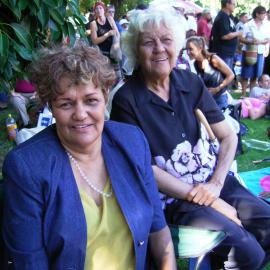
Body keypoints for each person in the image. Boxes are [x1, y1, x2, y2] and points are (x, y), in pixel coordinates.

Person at [111, 5, 270, 269]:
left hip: (213, 182)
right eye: (148, 42)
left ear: (177, 44)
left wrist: (216, 186)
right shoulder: (127, 100)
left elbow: (229, 136)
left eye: (166, 40)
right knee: (247, 252)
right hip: (174, 201)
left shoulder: (189, 81)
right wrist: (211, 201)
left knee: (267, 225)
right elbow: (145, 170)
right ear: (136, 50)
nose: (159, 48)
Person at [2, 44, 176, 269]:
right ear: (51, 107)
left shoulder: (132, 142)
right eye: (66, 103)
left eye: (91, 100)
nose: (80, 114)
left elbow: (159, 231)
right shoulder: (28, 167)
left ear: (105, 97)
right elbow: (29, 262)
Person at [186, 36, 234, 110]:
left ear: (200, 48)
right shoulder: (196, 63)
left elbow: (231, 75)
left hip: (220, 99)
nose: (188, 52)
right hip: (209, 99)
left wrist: (218, 88)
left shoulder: (213, 59)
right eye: (187, 49)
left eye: (190, 49)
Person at [240, 6, 270, 97]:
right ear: (257, 14)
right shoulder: (248, 25)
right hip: (248, 51)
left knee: (256, 74)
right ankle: (243, 93)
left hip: (260, 51)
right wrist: (251, 42)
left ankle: (252, 93)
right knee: (246, 73)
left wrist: (260, 42)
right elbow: (241, 38)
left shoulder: (267, 25)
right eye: (263, 13)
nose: (265, 15)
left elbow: (268, 39)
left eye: (265, 13)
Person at [210, 0, 242, 71]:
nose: (235, 6)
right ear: (227, 4)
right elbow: (225, 36)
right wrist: (238, 33)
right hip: (223, 53)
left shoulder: (228, 17)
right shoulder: (223, 17)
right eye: (234, 4)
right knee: (225, 75)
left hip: (228, 53)